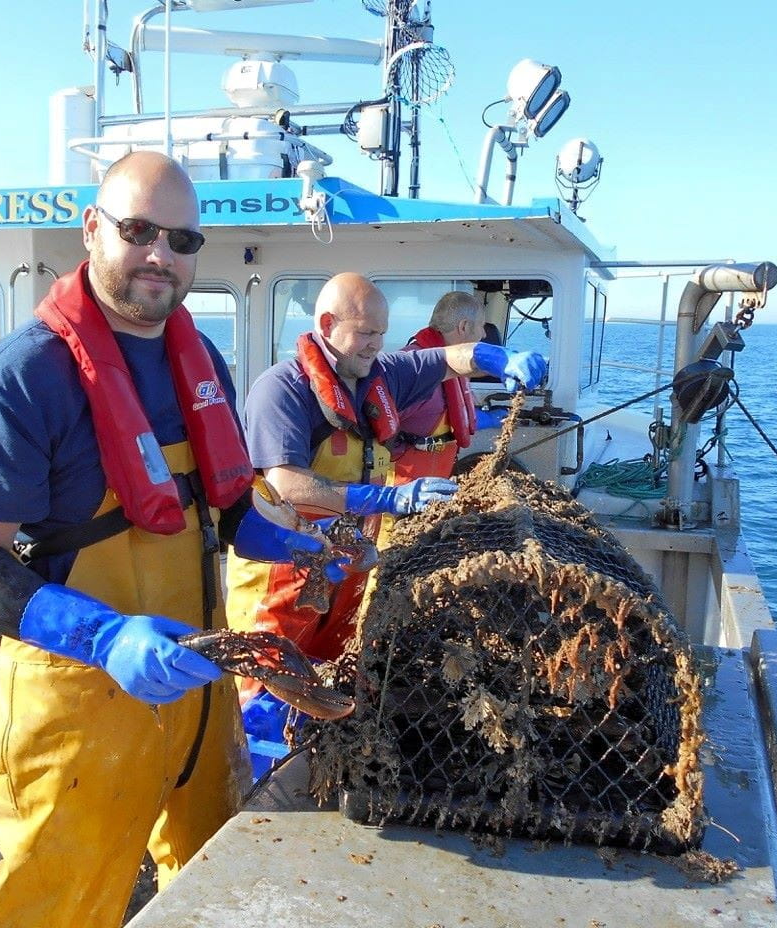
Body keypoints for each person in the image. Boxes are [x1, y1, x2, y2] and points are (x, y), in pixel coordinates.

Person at [0, 151, 322, 928]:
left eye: (181, 240)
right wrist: (104, 637)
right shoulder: (23, 376)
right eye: (138, 230)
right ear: (91, 229)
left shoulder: (200, 363)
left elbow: (221, 508)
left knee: (212, 889)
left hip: (199, 689)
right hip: (79, 709)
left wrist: (299, 543)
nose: (159, 255)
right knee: (57, 911)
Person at [223, 273, 547, 768]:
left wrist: (497, 358)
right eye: (365, 333)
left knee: (330, 681)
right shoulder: (282, 388)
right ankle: (254, 786)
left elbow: (448, 358)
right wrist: (389, 498)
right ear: (327, 324)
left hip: (347, 569)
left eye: (381, 333)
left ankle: (317, 773)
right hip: (283, 574)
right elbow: (287, 485)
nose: (376, 344)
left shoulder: (382, 374)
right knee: (264, 691)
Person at [394, 290, 489, 481]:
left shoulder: (456, 367)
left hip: (434, 487)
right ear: (464, 327)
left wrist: (489, 419)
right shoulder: (413, 369)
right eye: (482, 325)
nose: (484, 334)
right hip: (400, 490)